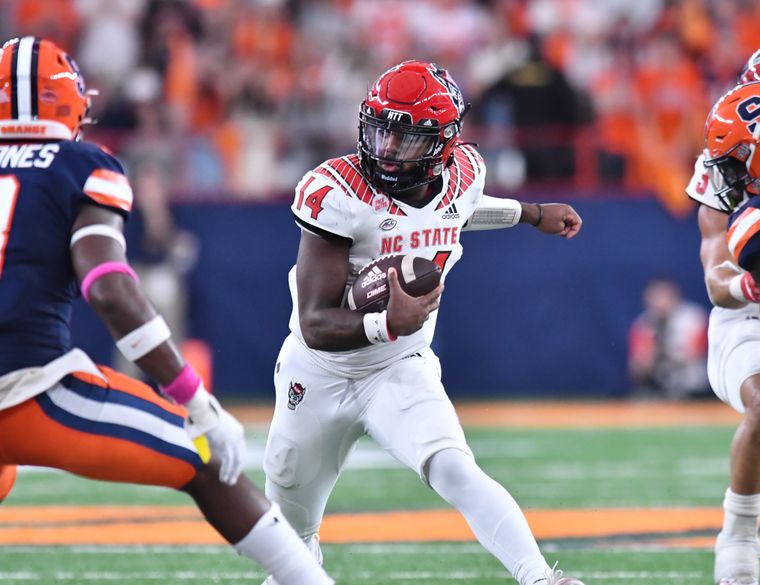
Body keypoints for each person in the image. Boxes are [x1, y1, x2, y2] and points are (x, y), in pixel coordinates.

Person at [0, 37, 332, 585]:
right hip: (31, 391)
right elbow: (106, 285)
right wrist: (193, 397)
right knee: (208, 460)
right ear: (68, 101)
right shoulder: (82, 165)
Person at [263, 60, 585, 585]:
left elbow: (457, 210)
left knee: (453, 466)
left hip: (398, 365)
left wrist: (530, 212)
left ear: (442, 145)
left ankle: (540, 578)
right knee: (290, 537)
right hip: (318, 368)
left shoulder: (464, 174)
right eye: (379, 130)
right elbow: (316, 321)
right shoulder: (338, 192)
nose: (386, 148)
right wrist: (387, 323)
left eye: (405, 139)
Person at [687, 40, 760, 585]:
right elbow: (715, 276)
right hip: (748, 308)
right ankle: (738, 538)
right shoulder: (729, 154)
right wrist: (750, 284)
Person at [627, 278, 709, 399]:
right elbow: (637, 370)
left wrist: (667, 348)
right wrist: (652, 354)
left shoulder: (694, 319)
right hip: (658, 387)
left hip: (692, 387)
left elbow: (695, 354)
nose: (659, 302)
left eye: (663, 296)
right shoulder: (643, 324)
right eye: (655, 297)